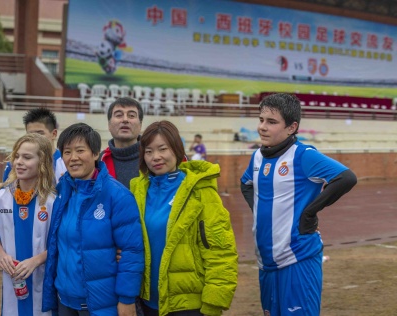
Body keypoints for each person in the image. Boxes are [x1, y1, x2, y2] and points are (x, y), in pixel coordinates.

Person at [240, 93, 357, 316]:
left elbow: (346, 177)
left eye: (272, 122)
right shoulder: (257, 156)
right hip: (266, 261)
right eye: (261, 119)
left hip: (298, 258)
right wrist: (260, 211)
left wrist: (309, 213)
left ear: (292, 127)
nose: (262, 127)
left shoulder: (303, 156)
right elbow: (245, 183)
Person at [130, 121, 238, 316]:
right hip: (146, 304)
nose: (156, 157)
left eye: (163, 149)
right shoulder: (137, 191)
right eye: (149, 151)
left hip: (188, 306)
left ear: (177, 150)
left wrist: (214, 302)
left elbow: (221, 251)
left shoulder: (200, 191)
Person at [41, 123, 144, 315]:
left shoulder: (118, 195)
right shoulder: (63, 190)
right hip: (64, 300)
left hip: (99, 304)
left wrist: (126, 298)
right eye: (67, 152)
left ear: (96, 154)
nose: (73, 158)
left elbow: (131, 251)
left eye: (80, 150)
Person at [0, 133, 56, 316]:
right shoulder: (0, 198)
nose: (19, 162)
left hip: (43, 285)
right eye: (16, 156)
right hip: (11, 284)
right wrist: (1, 255)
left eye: (27, 157)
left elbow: (58, 244)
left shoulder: (52, 201)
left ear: (42, 162)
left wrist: (35, 261)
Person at [2, 108, 67, 183]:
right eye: (30, 134)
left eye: (40, 134)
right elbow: (6, 189)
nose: (35, 138)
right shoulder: (16, 163)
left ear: (54, 134)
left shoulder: (65, 162)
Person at [100, 97, 144, 189]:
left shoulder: (153, 158)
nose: (125, 120)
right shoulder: (99, 161)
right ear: (109, 125)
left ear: (140, 125)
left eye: (131, 115)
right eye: (119, 115)